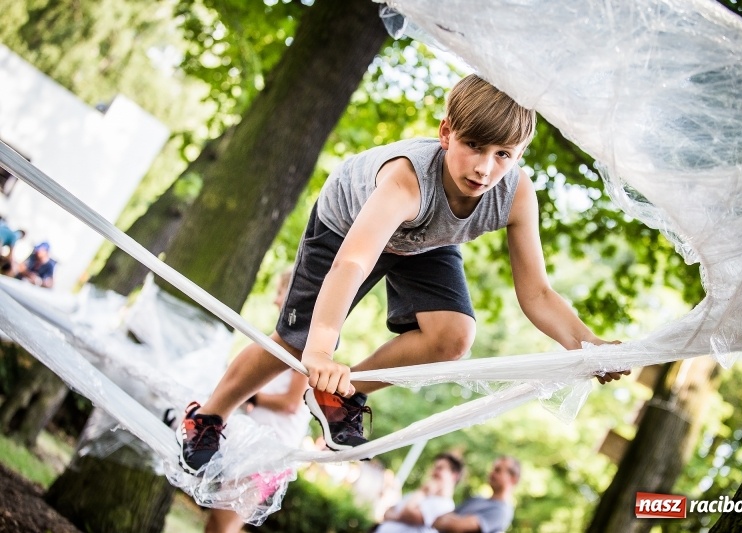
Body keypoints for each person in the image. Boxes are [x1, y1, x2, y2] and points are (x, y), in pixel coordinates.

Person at [177, 73, 627, 475]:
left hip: (427, 241)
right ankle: (209, 416)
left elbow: (538, 293)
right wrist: (319, 349)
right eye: (474, 146)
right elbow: (352, 261)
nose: (485, 168)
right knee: (293, 344)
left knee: (452, 338)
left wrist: (589, 346)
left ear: (520, 154)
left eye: (504, 154)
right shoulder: (406, 180)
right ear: (447, 133)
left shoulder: (514, 194)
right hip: (348, 226)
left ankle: (344, 394)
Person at [203, 270, 311, 533]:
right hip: (255, 445)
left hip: (270, 452)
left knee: (224, 522)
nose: (276, 301)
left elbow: (290, 403)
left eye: (280, 292)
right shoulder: (286, 343)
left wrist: (250, 394)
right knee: (218, 520)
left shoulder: (305, 345)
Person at [375, 452, 464, 533]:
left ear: (454, 476)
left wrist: (423, 491)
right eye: (434, 467)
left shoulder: (445, 506)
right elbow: (388, 512)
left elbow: (407, 514)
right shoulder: (420, 495)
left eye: (440, 468)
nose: (434, 472)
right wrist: (399, 517)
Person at [432, 456, 520, 533]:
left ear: (512, 479)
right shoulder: (477, 499)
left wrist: (455, 522)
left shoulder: (501, 511)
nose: (491, 473)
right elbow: (436, 521)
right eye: (493, 469)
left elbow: (458, 527)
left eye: (497, 470)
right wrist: (460, 522)